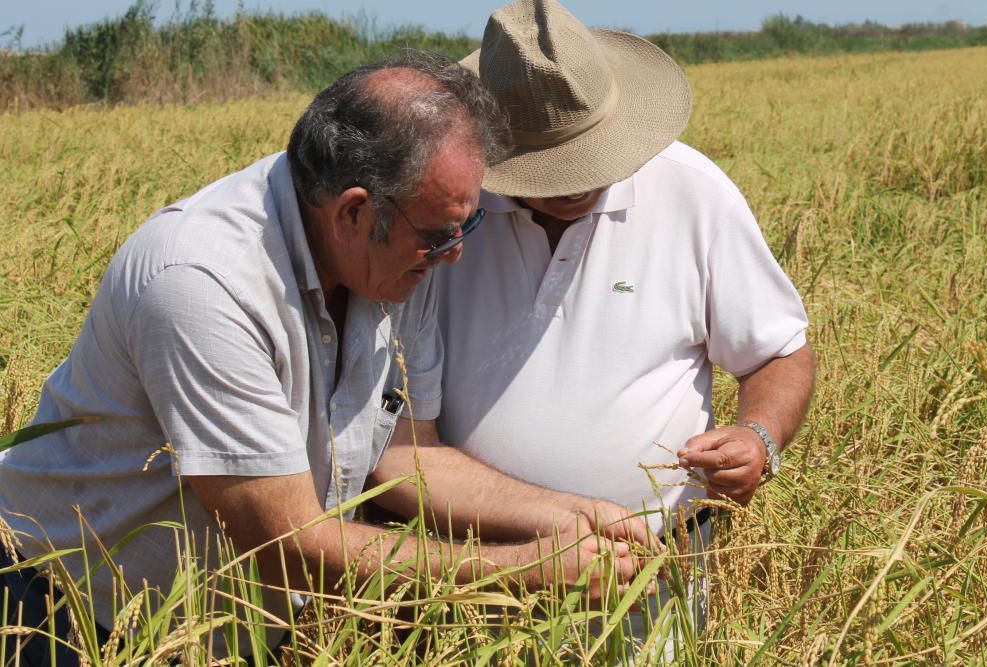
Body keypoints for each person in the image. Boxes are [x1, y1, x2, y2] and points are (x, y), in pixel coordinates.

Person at [0, 51, 649, 665]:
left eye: (466, 225)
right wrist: (525, 569)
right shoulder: (201, 283)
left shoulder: (398, 259)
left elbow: (406, 456)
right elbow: (288, 548)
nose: (456, 253)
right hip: (68, 616)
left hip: (223, 625)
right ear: (354, 212)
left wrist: (577, 516)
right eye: (441, 233)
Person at [427, 0, 817, 658]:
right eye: (550, 170)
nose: (577, 185)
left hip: (653, 560)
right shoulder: (444, 209)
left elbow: (777, 353)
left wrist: (759, 435)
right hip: (471, 560)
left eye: (588, 158)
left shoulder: (696, 193)